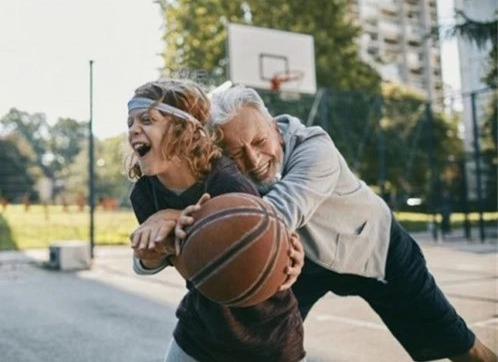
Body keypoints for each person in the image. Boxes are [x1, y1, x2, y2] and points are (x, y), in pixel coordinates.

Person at [207, 84, 497, 362]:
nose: (253, 159)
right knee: (261, 348)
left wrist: (200, 225)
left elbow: (275, 216)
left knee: (460, 346)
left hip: (373, 248)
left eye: (259, 142)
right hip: (303, 263)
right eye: (235, 154)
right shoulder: (224, 170)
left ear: (274, 127)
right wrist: (169, 219)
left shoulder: (316, 149)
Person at [126, 79, 306, 362]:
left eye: (147, 120)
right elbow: (194, 273)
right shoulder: (144, 193)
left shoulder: (226, 181)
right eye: (130, 123)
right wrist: (151, 254)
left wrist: (183, 222)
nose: (134, 129)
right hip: (201, 330)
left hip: (268, 336)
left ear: (182, 130)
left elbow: (262, 245)